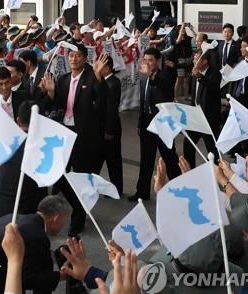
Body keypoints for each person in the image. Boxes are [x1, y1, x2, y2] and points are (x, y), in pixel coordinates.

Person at [41, 42, 103, 235]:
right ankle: (77, 205)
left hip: (84, 135)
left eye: (77, 55)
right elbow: (55, 106)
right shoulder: (63, 79)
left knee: (82, 179)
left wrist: (99, 79)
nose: (73, 59)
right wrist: (50, 93)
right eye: (70, 56)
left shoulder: (92, 78)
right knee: (59, 176)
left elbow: (102, 103)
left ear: (85, 58)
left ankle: (78, 221)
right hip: (64, 133)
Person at [129, 47, 180, 202]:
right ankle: (142, 191)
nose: (148, 63)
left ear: (158, 61)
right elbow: (143, 102)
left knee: (170, 158)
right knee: (146, 159)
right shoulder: (144, 77)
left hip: (163, 123)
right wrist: (140, 123)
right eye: (145, 60)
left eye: (151, 60)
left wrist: (151, 74)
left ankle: (179, 189)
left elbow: (166, 89)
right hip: (147, 123)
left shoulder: (166, 75)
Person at [0, 101, 47, 226]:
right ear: (41, 123)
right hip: (20, 221)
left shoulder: (7, 142)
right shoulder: (41, 150)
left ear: (18, 120)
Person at [183, 49, 221, 167]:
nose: (194, 60)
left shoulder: (214, 73)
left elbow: (213, 87)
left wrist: (200, 77)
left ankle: (217, 174)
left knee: (212, 149)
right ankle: (190, 170)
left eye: (197, 58)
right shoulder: (195, 74)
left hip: (208, 118)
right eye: (194, 58)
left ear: (205, 61)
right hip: (195, 116)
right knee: (188, 144)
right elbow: (194, 96)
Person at [93, 55, 123, 195]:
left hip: (109, 129)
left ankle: (117, 189)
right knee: (98, 159)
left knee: (113, 161)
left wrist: (109, 130)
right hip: (99, 128)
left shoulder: (113, 82)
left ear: (107, 67)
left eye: (100, 65)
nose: (96, 68)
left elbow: (111, 109)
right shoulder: (103, 81)